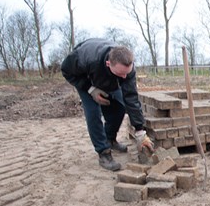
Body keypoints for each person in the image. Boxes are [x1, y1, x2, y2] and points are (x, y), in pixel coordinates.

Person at [61, 38, 154, 171]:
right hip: (87, 81)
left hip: (109, 80)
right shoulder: (86, 58)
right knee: (93, 113)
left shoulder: (127, 70)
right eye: (121, 73)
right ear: (108, 63)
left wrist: (140, 131)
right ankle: (103, 153)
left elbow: (131, 98)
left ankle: (110, 139)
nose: (124, 77)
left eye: (126, 74)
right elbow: (66, 70)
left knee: (120, 107)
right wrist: (90, 89)